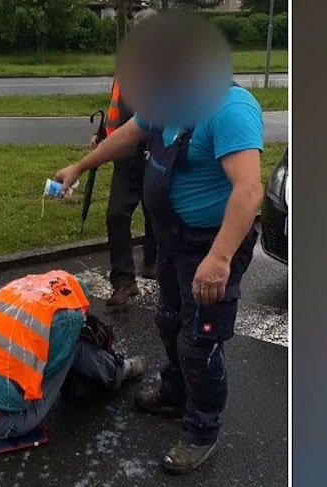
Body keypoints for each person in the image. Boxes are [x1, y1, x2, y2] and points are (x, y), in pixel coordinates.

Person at [53, 23, 264, 474]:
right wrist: (79, 166)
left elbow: (249, 191)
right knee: (169, 321)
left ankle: (202, 429)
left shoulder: (231, 108)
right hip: (173, 241)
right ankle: (175, 392)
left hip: (211, 247)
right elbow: (129, 133)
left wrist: (220, 259)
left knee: (199, 342)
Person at [0, 270, 148, 440]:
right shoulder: (69, 317)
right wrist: (74, 335)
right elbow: (54, 366)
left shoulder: (16, 290)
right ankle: (120, 370)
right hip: (7, 424)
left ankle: (114, 369)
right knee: (74, 347)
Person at [90, 9, 158, 309]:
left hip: (157, 156)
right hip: (126, 158)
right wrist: (104, 136)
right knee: (116, 215)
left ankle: (154, 263)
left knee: (157, 215)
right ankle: (123, 281)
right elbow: (117, 108)